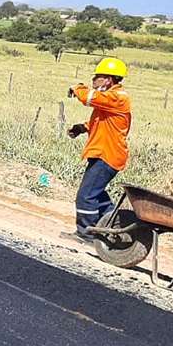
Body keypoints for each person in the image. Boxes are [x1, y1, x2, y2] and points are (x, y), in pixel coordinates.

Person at [64, 57, 132, 242]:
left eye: (97, 77)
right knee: (97, 194)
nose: (93, 80)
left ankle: (86, 234)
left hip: (107, 155)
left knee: (85, 196)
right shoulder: (112, 98)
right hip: (105, 154)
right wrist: (82, 128)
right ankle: (113, 227)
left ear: (109, 80)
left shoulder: (118, 97)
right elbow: (102, 121)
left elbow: (89, 97)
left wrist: (77, 88)